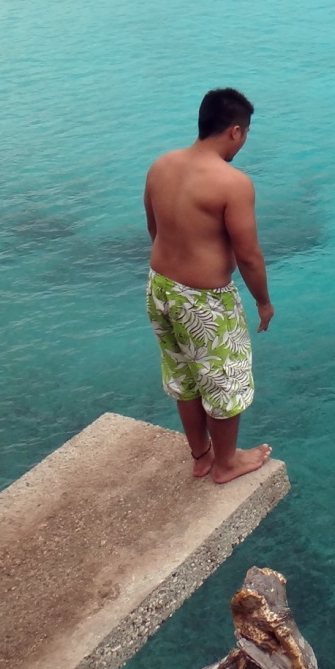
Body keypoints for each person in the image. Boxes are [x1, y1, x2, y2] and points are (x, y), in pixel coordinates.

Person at [143, 88, 275, 483]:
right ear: (235, 131)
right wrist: (263, 303)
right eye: (246, 132)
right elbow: (248, 255)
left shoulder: (161, 165)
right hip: (205, 302)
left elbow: (154, 228)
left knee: (184, 376)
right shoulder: (232, 183)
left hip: (160, 287)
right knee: (225, 381)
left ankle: (201, 455)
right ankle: (226, 463)